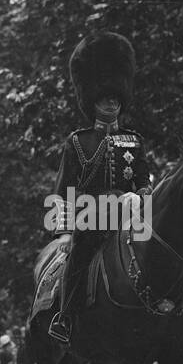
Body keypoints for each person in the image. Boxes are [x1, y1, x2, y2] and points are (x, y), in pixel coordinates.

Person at [48, 31, 154, 345]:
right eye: (104, 98)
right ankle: (65, 317)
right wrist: (65, 231)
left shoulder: (134, 141)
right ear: (92, 100)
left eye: (115, 98)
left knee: (165, 253)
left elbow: (143, 181)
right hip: (93, 217)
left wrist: (147, 202)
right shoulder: (78, 141)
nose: (111, 103)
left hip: (131, 217)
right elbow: (65, 187)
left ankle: (181, 322)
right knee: (79, 258)